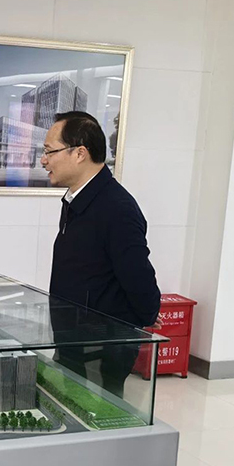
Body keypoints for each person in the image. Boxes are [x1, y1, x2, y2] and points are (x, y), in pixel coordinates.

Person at [41, 111, 161, 397]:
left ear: (79, 153)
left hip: (100, 345)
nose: (44, 160)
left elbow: (137, 274)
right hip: (75, 338)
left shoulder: (116, 208)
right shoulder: (77, 200)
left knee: (98, 411)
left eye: (49, 151)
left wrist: (147, 312)